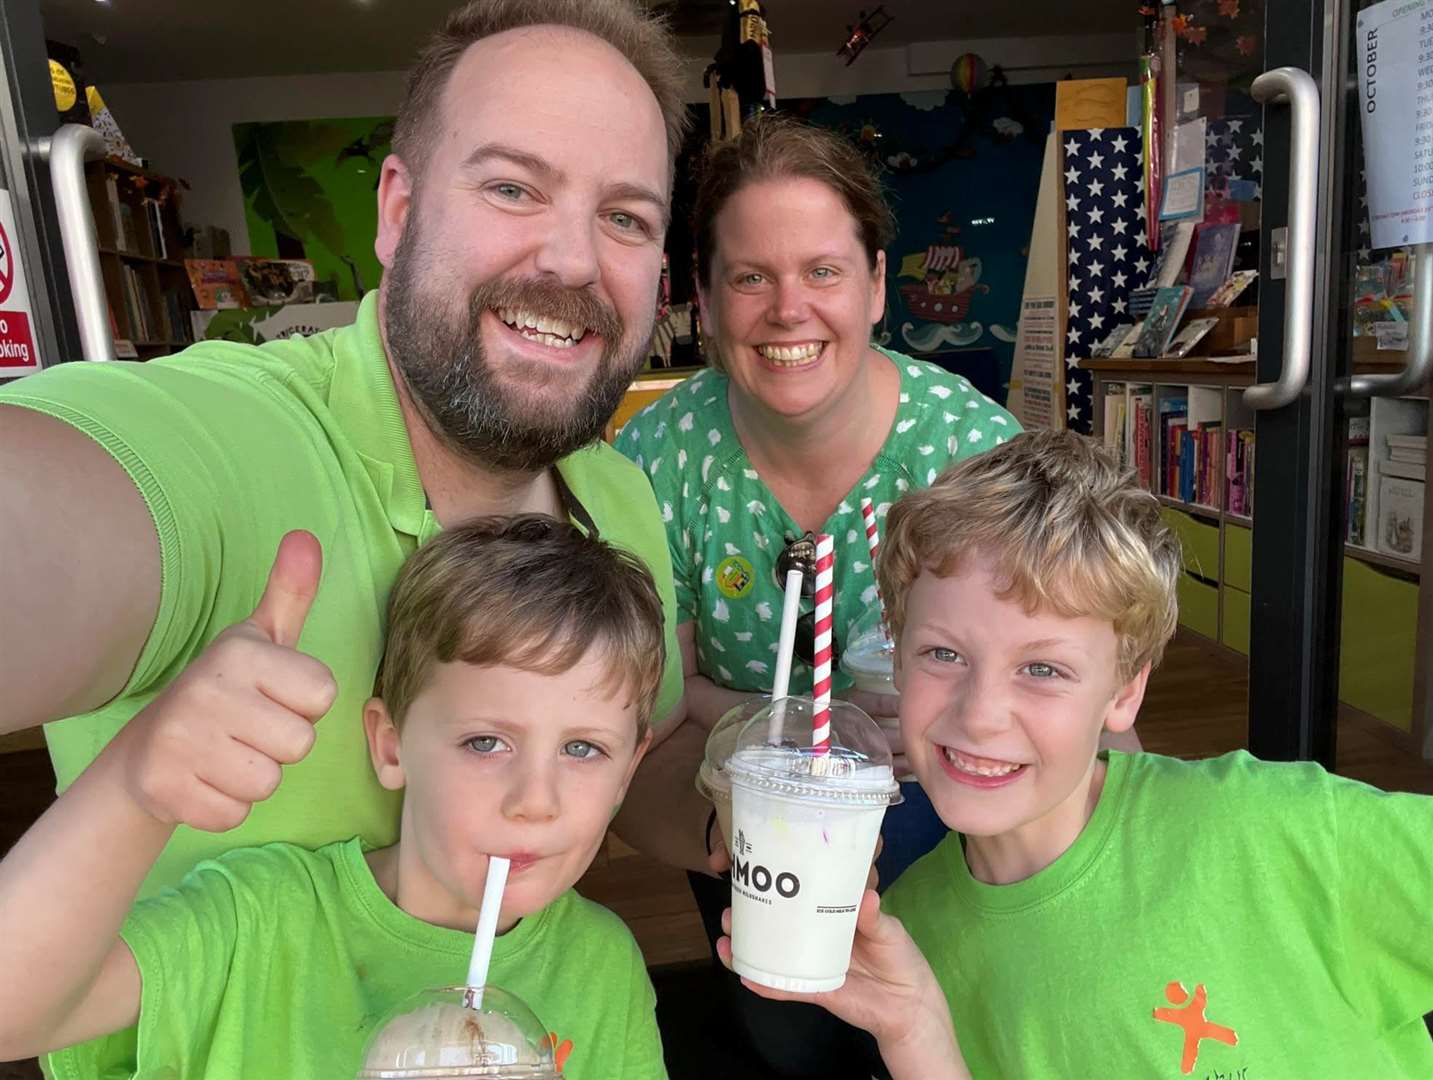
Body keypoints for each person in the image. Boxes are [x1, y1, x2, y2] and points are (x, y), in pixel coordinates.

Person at [719, 429, 1433, 1078]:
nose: (980, 715)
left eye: (1042, 669)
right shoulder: (912, 934)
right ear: (895, 666)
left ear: (1123, 693)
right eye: (943, 653)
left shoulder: (1281, 831)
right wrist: (916, 1034)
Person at [615, 114, 1019, 1077]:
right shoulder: (656, 463)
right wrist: (789, 728)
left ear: (877, 285)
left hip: (944, 791)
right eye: (750, 277)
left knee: (952, 1017)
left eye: (823, 271)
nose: (787, 308)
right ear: (703, 303)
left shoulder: (969, 456)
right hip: (747, 799)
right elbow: (659, 696)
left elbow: (1037, 680)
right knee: (784, 1032)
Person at [0, 517, 669, 1079]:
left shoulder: (600, 968)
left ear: (627, 771)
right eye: (486, 742)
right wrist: (135, 787)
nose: (535, 801)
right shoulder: (261, 923)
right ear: (390, 746)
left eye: (583, 749)